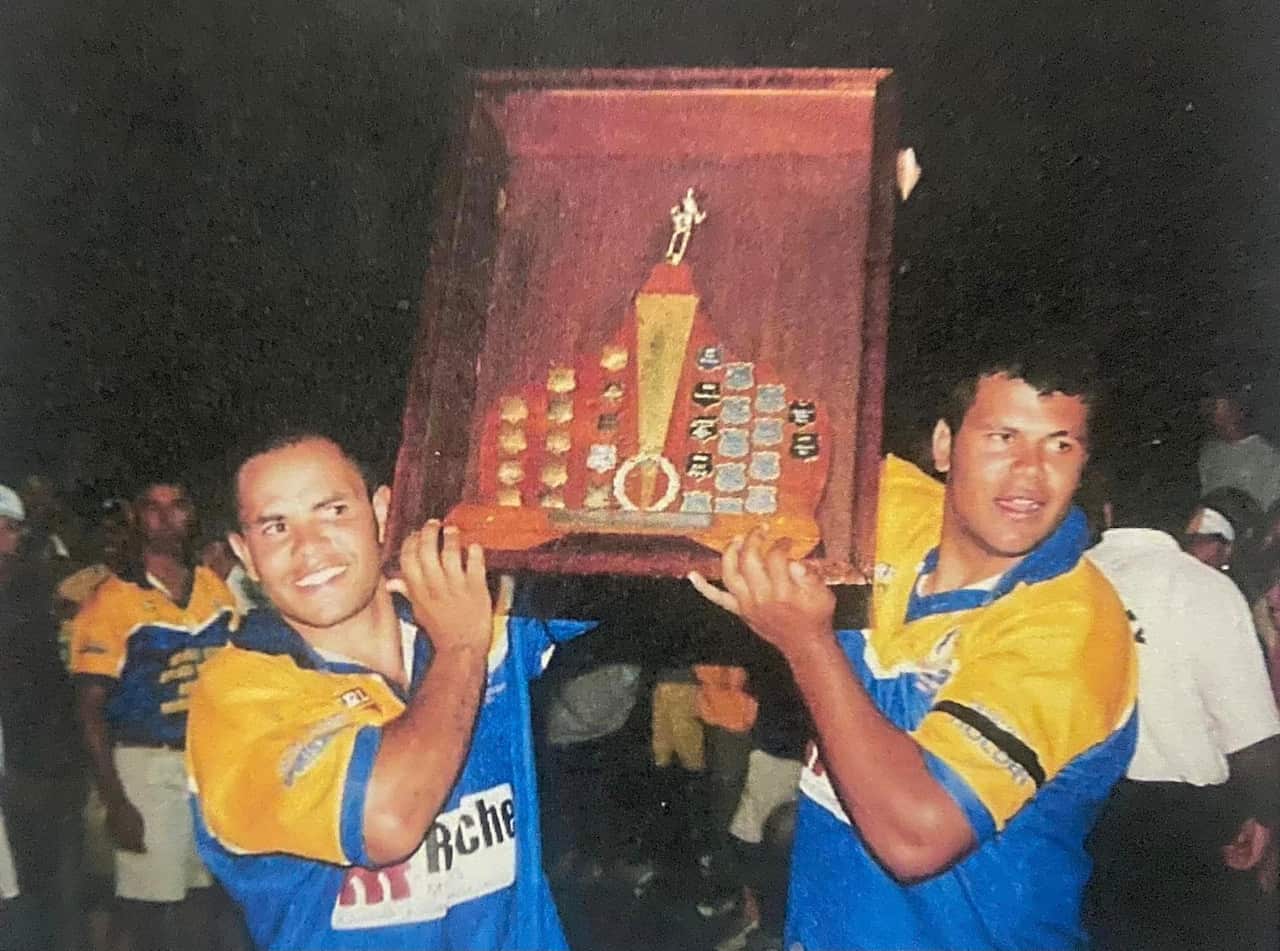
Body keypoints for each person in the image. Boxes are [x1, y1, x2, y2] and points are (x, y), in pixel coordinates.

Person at [691, 352, 1138, 950]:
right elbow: (751, 422)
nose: (1031, 474)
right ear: (945, 446)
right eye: (1003, 438)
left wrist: (807, 643)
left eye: (1060, 446)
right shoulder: (894, 511)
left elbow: (917, 837)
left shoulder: (1074, 627)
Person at [185, 432, 594, 950]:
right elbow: (388, 820)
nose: (308, 548)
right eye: (276, 527)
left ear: (381, 512)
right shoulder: (238, 693)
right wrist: (460, 649)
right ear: (245, 553)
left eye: (332, 511)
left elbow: (615, 574)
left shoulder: (472, 618)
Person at [1084, 466, 1280, 951]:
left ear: (1107, 509)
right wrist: (1263, 815)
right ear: (1189, 517)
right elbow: (1250, 732)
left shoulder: (1067, 578)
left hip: (1079, 809)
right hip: (1179, 826)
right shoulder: (1204, 589)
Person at [70, 478, 237, 951]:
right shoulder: (111, 600)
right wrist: (116, 800)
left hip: (208, 765)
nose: (165, 517)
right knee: (147, 910)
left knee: (204, 899)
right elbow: (88, 710)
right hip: (146, 764)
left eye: (177, 504)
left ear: (193, 514)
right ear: (137, 518)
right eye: (152, 507)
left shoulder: (214, 590)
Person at [0, 484, 84, 951]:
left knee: (50, 896)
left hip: (39, 767)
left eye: (10, 530)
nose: (4, 541)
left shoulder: (33, 591)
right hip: (18, 769)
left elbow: (49, 685)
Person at [1198, 383, 1280, 510]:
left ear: (1238, 409)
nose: (1208, 412)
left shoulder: (1267, 456)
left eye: (1214, 406)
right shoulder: (1209, 452)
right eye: (1206, 407)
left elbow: (1272, 510)